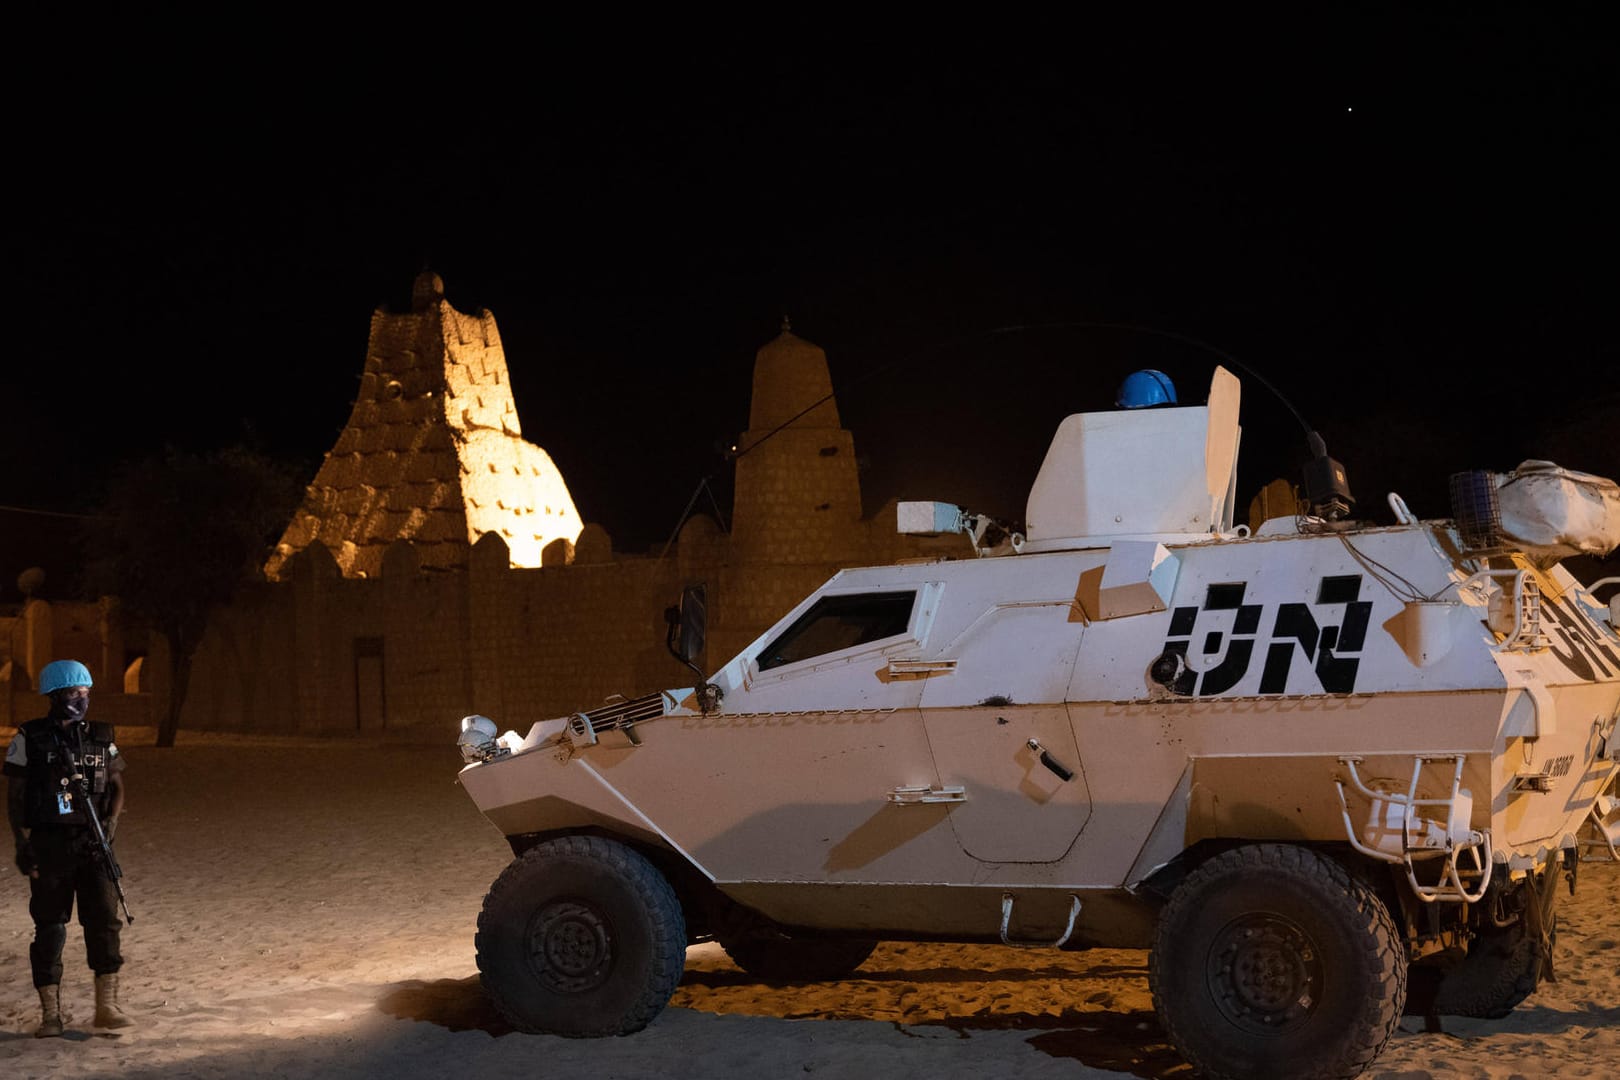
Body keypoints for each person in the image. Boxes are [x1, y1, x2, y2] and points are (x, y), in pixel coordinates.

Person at [5, 659, 133, 1036]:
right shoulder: (29, 738)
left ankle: (106, 1007)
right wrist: (20, 841)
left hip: (94, 845)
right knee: (50, 928)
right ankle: (51, 1015)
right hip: (49, 844)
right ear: (55, 695)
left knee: (104, 923)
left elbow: (117, 786)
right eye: (75, 693)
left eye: (86, 693)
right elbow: (15, 795)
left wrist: (111, 824)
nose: (82, 700)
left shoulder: (101, 735)